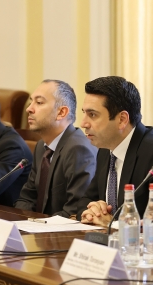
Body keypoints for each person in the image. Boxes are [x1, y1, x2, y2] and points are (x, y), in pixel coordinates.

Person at [77, 76, 153, 225]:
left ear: (122, 119)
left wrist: (114, 224)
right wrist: (93, 210)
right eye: (84, 113)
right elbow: (84, 201)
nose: (83, 123)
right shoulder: (106, 149)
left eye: (92, 115)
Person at [14, 80, 96, 216]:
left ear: (61, 112)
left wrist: (38, 224)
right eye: (31, 101)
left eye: (39, 102)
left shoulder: (79, 150)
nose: (29, 109)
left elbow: (75, 211)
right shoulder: (41, 146)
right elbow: (27, 197)